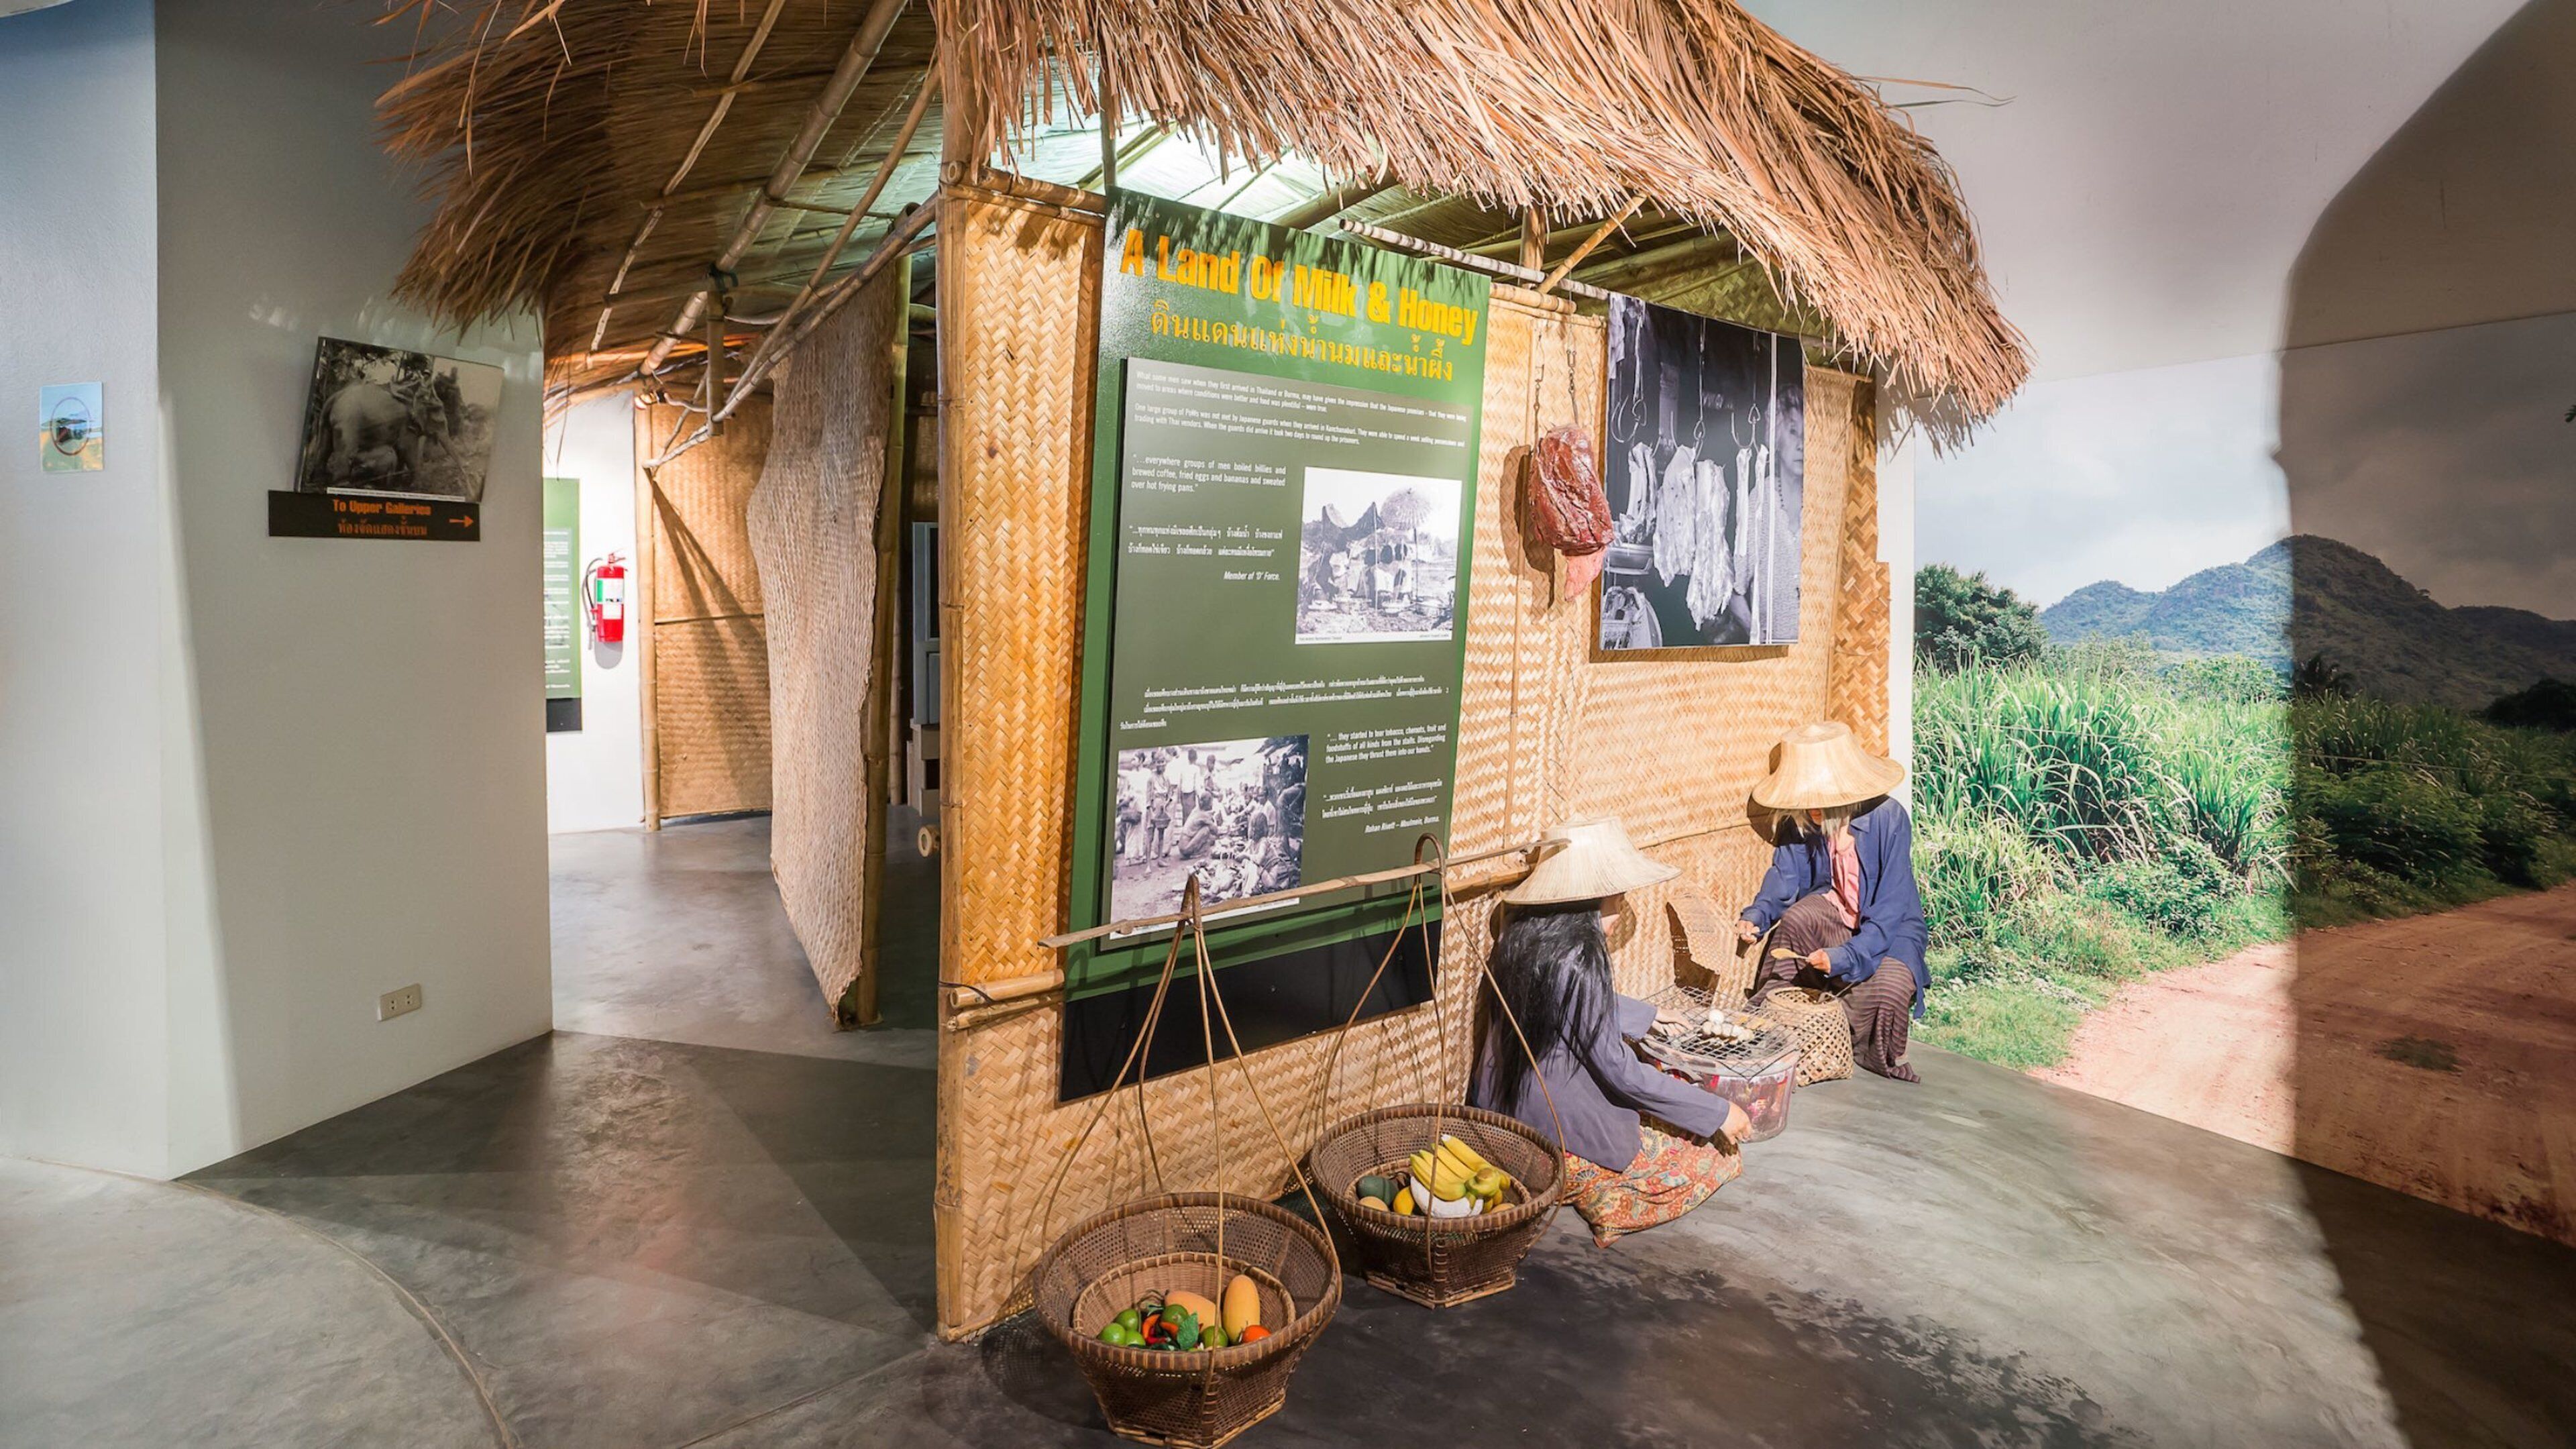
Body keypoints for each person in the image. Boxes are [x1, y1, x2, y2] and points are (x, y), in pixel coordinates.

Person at [1472, 818, 1751, 1248]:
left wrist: (1646, 1014)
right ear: (1589, 900)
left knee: (1666, 1103)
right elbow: (1621, 1073)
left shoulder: (1522, 935)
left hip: (1501, 1116)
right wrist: (1718, 1112)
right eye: (1617, 898)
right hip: (1550, 1133)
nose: (1622, 910)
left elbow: (1563, 1002)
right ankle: (1604, 1199)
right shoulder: (1581, 959)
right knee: (1716, 1156)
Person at [1734, 722, 1929, 1083]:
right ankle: (1776, 1021)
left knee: (1888, 989)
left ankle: (1829, 1040)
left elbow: (1890, 908)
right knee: (1795, 921)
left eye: (1822, 800)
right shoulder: (1802, 818)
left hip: (1891, 927)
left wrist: (1844, 957)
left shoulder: (1889, 818)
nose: (1814, 810)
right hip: (1837, 909)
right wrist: (1757, 917)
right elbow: (1786, 877)